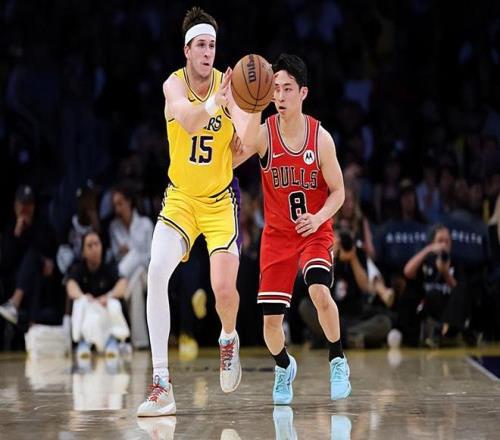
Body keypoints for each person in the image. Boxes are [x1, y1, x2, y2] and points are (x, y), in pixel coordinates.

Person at [137, 7, 245, 417]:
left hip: (219, 201)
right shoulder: (174, 85)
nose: (207, 52)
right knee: (155, 272)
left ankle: (228, 337)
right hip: (181, 199)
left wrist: (246, 125)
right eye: (200, 45)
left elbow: (248, 142)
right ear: (186, 50)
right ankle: (161, 384)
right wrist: (219, 104)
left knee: (223, 291)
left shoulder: (231, 87)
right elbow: (187, 119)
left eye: (212, 45)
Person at [232, 54, 351, 404]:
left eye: (287, 89)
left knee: (319, 291)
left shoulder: (321, 138)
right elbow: (233, 159)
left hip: (314, 230)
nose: (280, 96)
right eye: (275, 89)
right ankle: (284, 366)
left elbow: (339, 192)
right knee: (270, 323)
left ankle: (337, 359)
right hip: (277, 236)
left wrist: (319, 217)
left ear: (303, 93)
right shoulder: (265, 134)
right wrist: (244, 106)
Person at [67, 232, 129, 358]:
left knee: (114, 304)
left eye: (97, 244)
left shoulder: (109, 266)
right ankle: (83, 342)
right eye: (89, 245)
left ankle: (113, 340)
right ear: (83, 252)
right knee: (79, 303)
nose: (94, 248)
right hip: (88, 314)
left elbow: (122, 284)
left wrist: (109, 296)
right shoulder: (78, 268)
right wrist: (83, 297)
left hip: (105, 312)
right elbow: (70, 286)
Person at [109, 184, 153, 348]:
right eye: (115, 205)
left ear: (129, 202)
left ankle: (138, 341)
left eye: (120, 204)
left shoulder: (146, 224)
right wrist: (133, 255)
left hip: (148, 275)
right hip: (128, 277)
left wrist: (133, 254)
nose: (117, 209)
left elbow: (152, 257)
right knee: (135, 285)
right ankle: (140, 342)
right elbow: (116, 258)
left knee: (140, 271)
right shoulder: (114, 227)